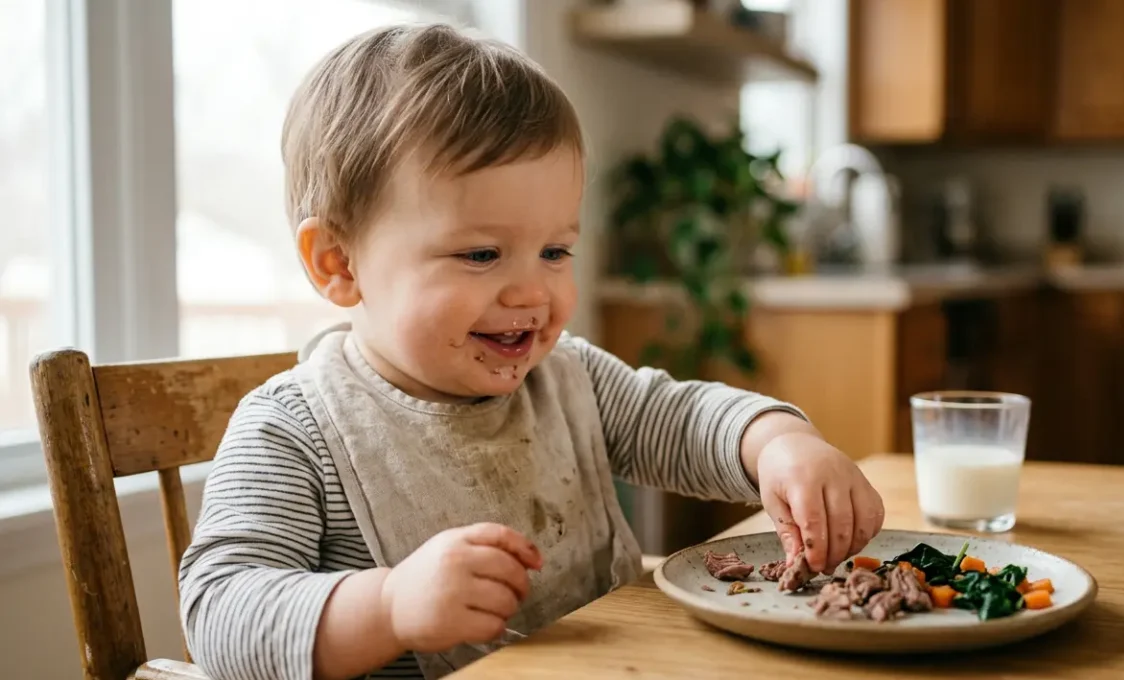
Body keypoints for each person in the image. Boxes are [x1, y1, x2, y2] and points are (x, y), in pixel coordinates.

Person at [177, 22, 885, 680]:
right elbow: (219, 612)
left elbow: (678, 417)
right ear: (338, 263)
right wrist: (389, 604)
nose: (531, 291)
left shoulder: (563, 377)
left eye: (555, 251)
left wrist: (777, 443)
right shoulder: (295, 430)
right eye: (481, 253)